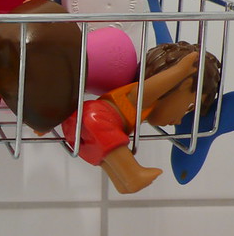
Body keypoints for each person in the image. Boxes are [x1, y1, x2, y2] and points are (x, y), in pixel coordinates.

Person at [61, 41, 221, 194]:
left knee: (107, 156)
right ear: (184, 84)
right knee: (108, 138)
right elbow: (156, 86)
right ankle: (133, 174)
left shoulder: (144, 108)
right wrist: (180, 71)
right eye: (189, 106)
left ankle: (123, 183)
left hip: (85, 137)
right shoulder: (143, 97)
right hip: (92, 119)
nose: (179, 120)